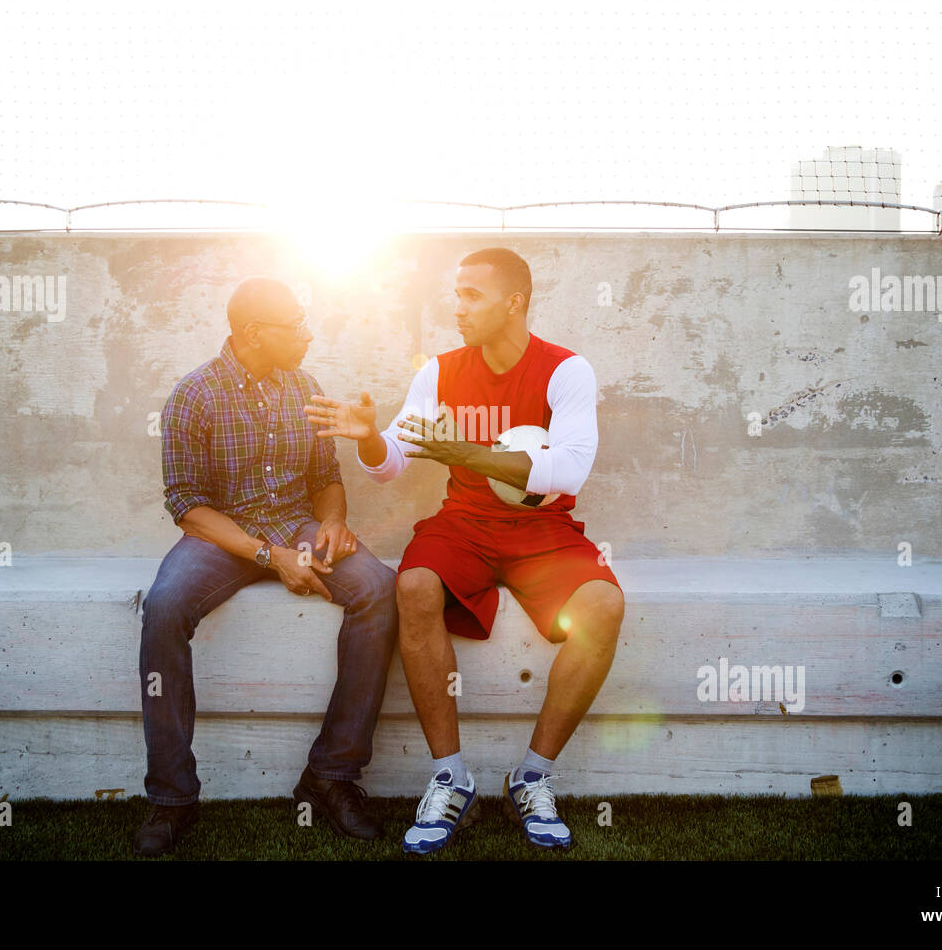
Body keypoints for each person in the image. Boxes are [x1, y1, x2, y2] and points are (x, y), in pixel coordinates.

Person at [306, 247, 625, 855]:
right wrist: (372, 437)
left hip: (543, 531)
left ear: (515, 302)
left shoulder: (565, 369)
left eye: (472, 296)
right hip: (466, 523)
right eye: (456, 294)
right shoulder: (439, 371)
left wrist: (467, 455)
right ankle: (451, 778)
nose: (458, 308)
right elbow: (392, 465)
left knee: (604, 607)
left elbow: (570, 470)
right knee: (414, 586)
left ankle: (532, 776)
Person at [134, 277, 399, 857]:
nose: (308, 335)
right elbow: (187, 505)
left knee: (378, 588)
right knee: (164, 607)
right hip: (225, 537)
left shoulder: (304, 385)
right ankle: (172, 795)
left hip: (296, 528)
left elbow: (326, 477)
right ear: (253, 333)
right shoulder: (193, 394)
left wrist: (332, 521)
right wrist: (267, 556)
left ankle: (331, 774)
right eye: (295, 325)